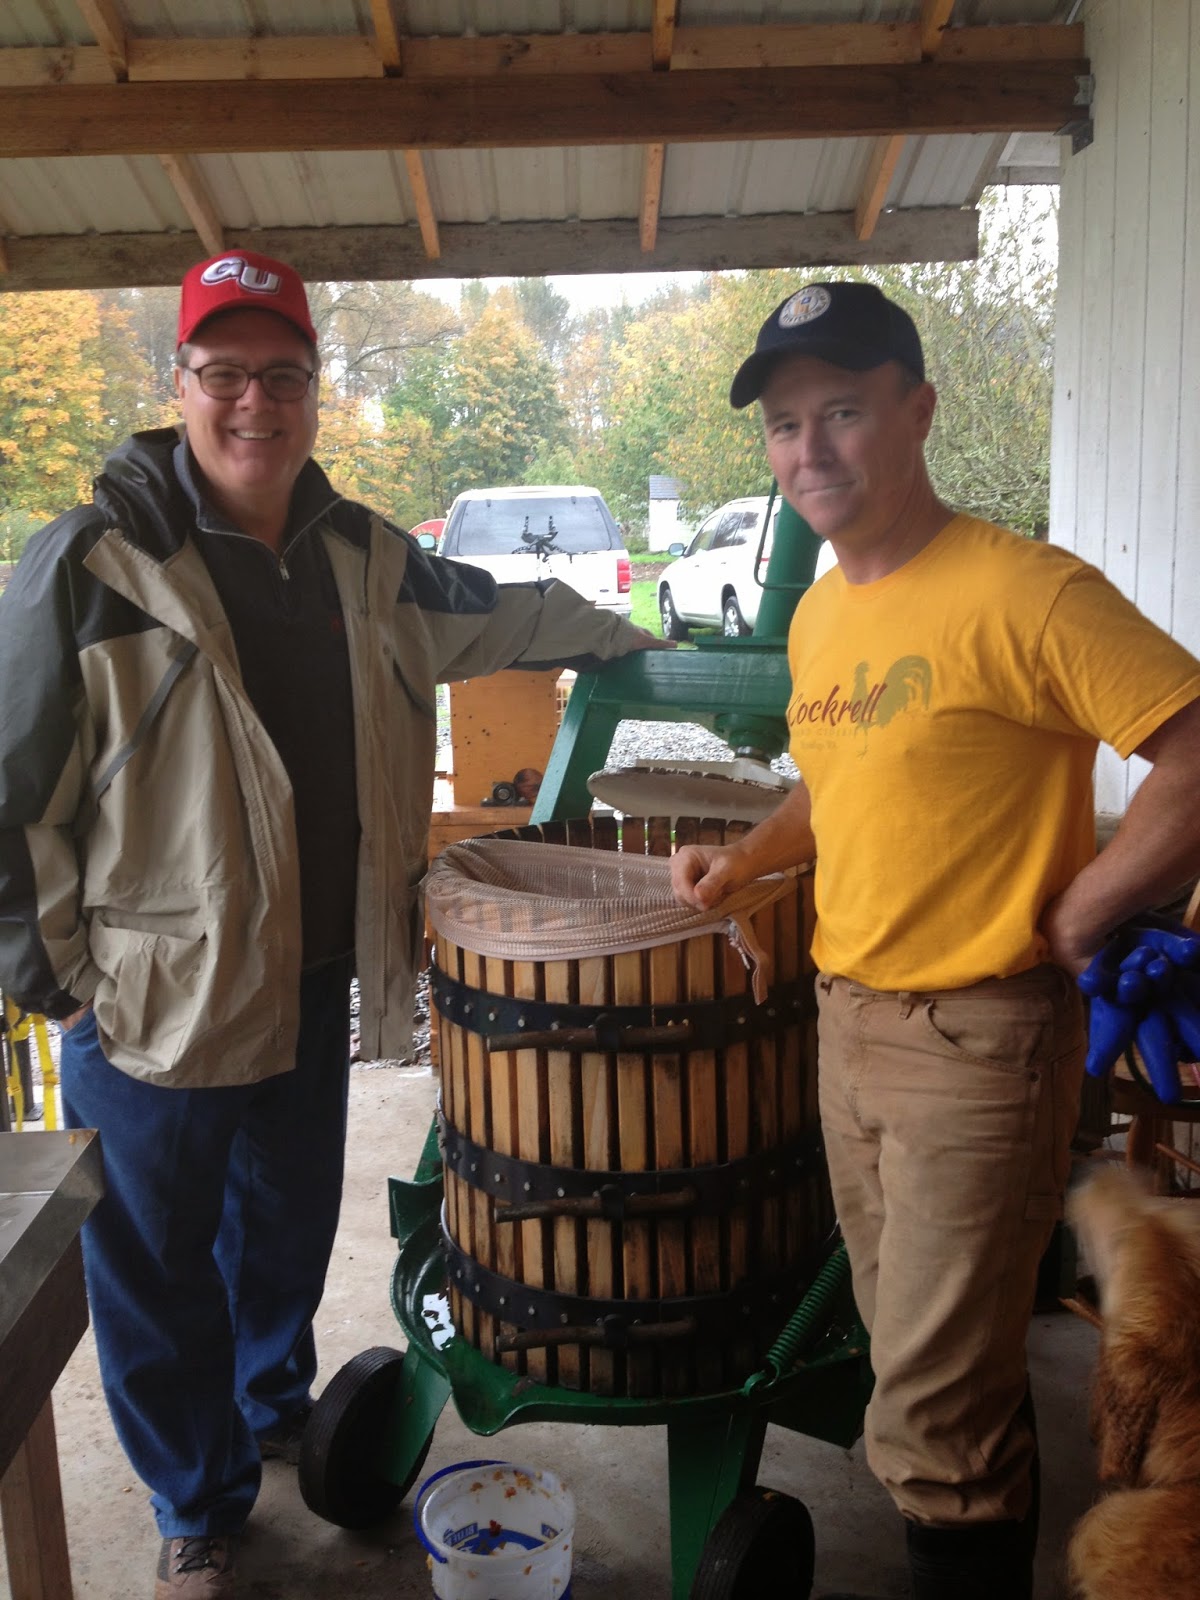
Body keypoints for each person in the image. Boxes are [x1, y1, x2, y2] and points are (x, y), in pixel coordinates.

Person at [0, 249, 667, 1599]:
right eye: (226, 374)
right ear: (179, 383)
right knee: (149, 1268)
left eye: (284, 375)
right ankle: (197, 1499)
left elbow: (505, 612)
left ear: (317, 388)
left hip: (307, 982)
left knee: (286, 1235)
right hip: (149, 1001)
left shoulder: (367, 553)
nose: (257, 403)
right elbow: (12, 788)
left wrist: (625, 638)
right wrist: (53, 983)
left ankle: (267, 1412)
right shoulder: (93, 562)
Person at [670, 280, 1200, 1600]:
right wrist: (750, 857)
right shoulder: (821, 613)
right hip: (846, 1025)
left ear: (916, 412)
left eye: (842, 410)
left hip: (981, 1043)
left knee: (925, 1413)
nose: (811, 450)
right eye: (787, 424)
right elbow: (837, 774)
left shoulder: (1026, 591)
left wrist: (1094, 901)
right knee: (940, 1364)